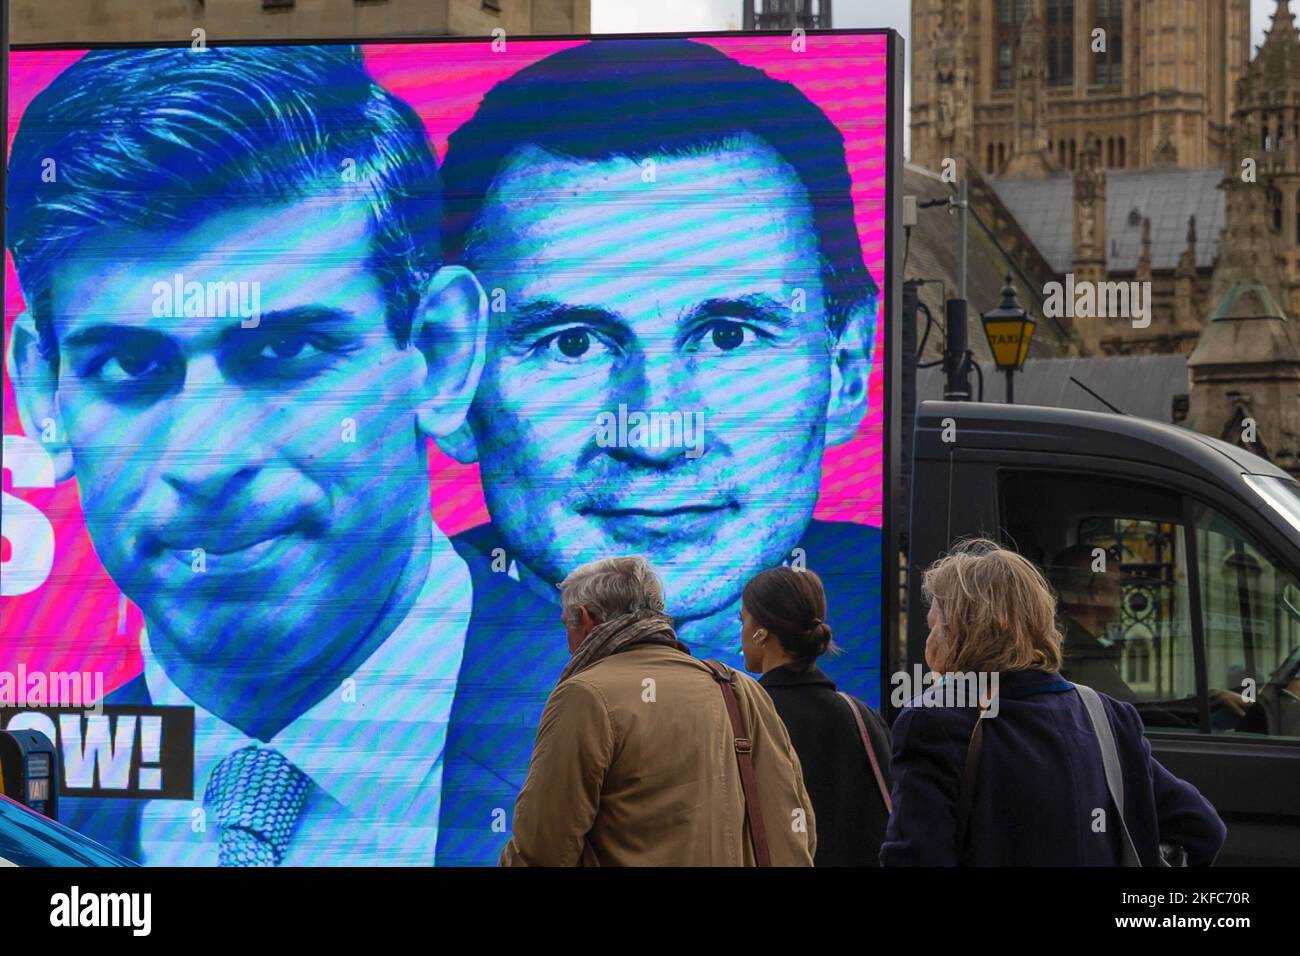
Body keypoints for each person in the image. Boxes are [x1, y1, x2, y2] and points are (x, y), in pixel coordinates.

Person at [5, 45, 506, 865]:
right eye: (131, 367)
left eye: (285, 353)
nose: (208, 460)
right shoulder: (28, 789)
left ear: (442, 354)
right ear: (42, 389)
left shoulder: (666, 743)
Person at [435, 39, 883, 862]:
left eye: (727, 335)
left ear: (848, 367)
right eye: (572, 345)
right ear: (452, 376)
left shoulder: (897, 620)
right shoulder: (367, 672)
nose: (652, 433)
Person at [881, 539, 1226, 866]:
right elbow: (1203, 827)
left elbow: (913, 857)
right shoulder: (1109, 716)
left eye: (934, 628)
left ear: (958, 635)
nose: (928, 643)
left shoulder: (933, 723)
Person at [499, 555, 816, 866]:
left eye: (567, 625)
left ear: (584, 619)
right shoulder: (741, 690)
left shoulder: (585, 695)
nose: (569, 643)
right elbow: (794, 825)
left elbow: (543, 846)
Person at [742, 567, 892, 866]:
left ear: (762, 632)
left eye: (742, 621)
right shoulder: (863, 717)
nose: (741, 632)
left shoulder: (744, 719)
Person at [1050, 544, 1136, 701]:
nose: (1122, 594)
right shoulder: (1084, 652)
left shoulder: (1056, 638)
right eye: (1118, 585)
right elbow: (1132, 712)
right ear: (1097, 591)